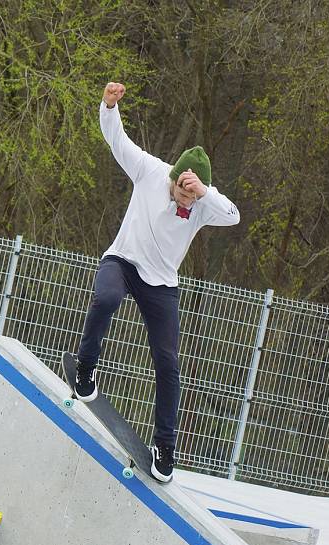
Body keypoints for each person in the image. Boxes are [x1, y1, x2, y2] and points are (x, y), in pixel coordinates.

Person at [73, 82, 240, 483]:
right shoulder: (150, 170)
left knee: (168, 362)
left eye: (191, 199)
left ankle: (166, 445)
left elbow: (233, 215)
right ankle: (85, 367)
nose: (185, 203)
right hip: (123, 260)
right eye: (182, 194)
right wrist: (108, 107)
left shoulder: (202, 206)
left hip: (162, 285)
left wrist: (205, 192)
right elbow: (117, 141)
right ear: (173, 179)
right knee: (107, 297)